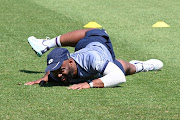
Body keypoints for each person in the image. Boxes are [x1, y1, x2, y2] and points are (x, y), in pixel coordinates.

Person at [24, 28, 163, 90]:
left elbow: (119, 78)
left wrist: (89, 84)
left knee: (127, 68)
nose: (59, 75)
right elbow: (53, 71)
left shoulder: (93, 59)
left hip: (97, 46)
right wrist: (44, 78)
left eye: (61, 70)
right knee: (115, 67)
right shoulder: (59, 71)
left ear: (71, 62)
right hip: (94, 64)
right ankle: (46, 44)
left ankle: (142, 66)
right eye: (56, 72)